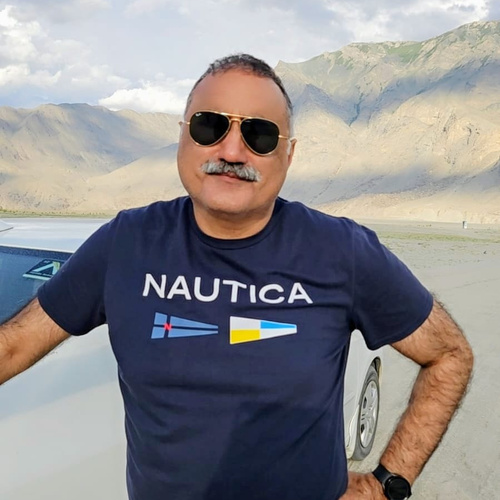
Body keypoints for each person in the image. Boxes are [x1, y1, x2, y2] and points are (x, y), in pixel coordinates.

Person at [0, 54, 473, 500]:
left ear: (288, 155)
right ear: (183, 137)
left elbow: (449, 355)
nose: (231, 151)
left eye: (259, 135)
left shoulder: (341, 251)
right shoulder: (125, 243)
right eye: (209, 126)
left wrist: (388, 484)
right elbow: (15, 344)